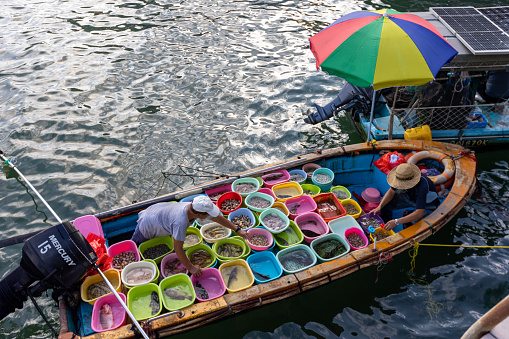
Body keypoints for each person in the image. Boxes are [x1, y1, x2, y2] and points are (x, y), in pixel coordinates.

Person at [131, 195, 248, 277]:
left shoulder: (191, 206)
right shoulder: (180, 222)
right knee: (135, 248)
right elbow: (178, 249)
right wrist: (191, 268)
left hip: (156, 213)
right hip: (148, 224)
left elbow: (217, 218)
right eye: (207, 214)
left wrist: (237, 229)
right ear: (198, 214)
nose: (209, 216)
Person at [372, 163, 440, 231]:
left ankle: (408, 215)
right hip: (409, 197)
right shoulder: (401, 177)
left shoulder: (422, 185)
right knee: (385, 204)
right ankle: (386, 224)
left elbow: (419, 213)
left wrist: (397, 221)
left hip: (427, 205)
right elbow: (391, 191)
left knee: (409, 224)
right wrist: (379, 207)